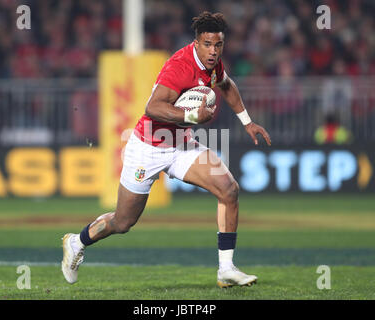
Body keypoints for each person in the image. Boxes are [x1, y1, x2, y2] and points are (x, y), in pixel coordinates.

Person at [61, 11, 271, 288]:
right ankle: (76, 242)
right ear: (196, 43)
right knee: (123, 222)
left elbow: (227, 85)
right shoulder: (179, 67)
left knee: (228, 189)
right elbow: (153, 107)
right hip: (148, 147)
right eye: (207, 44)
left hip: (181, 145)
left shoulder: (214, 64)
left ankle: (226, 268)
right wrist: (193, 117)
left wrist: (247, 121)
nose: (213, 51)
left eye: (218, 45)